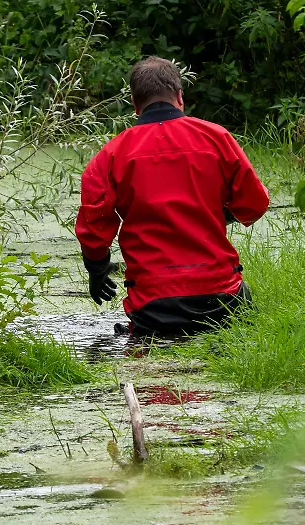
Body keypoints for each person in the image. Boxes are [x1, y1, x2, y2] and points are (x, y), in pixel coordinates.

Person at [75, 56, 270, 335]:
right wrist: (214, 213)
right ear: (180, 96)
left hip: (154, 306)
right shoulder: (217, 138)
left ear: (134, 104)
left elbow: (94, 225)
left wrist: (97, 272)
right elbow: (255, 203)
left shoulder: (110, 156)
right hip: (221, 299)